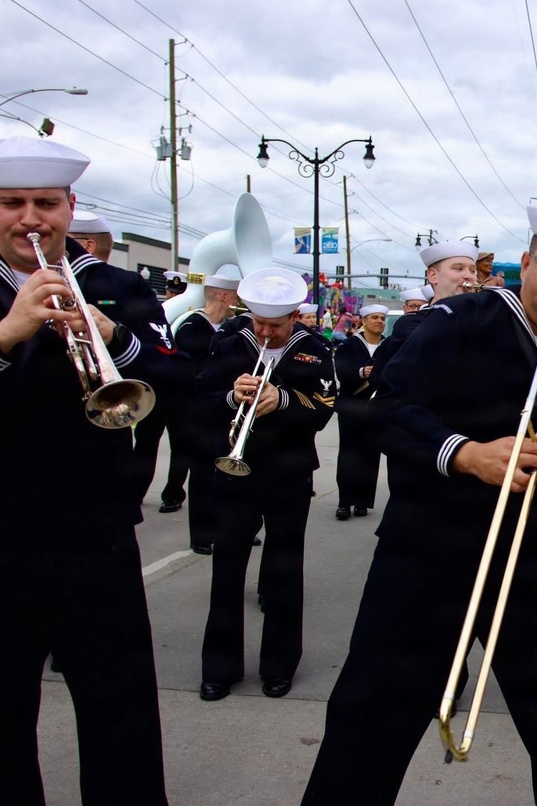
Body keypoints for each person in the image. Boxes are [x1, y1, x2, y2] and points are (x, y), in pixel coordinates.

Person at [301, 203, 537, 805]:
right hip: (428, 556)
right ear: (524, 264)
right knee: (368, 724)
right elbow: (382, 411)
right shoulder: (461, 318)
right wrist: (466, 453)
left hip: (535, 565)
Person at [0, 136, 171, 802]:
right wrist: (9, 333)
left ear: (71, 208)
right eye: (12, 204)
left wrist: (117, 341)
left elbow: (176, 389)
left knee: (121, 716)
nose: (31, 219)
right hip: (4, 538)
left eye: (46, 203)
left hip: (94, 534)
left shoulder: (118, 288)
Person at [197, 268, 334, 701]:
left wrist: (285, 399)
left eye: (275, 325)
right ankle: (220, 668)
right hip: (234, 471)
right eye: (258, 322)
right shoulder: (230, 342)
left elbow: (327, 406)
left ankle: (279, 665)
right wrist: (228, 397)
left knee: (284, 570)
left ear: (295, 316)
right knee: (226, 569)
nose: (265, 332)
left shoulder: (314, 349)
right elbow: (198, 397)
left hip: (289, 473)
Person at [174, 271, 241, 553]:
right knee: (202, 474)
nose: (238, 302)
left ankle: (229, 527)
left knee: (226, 474)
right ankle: (201, 535)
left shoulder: (230, 328)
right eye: (236, 296)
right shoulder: (192, 327)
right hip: (200, 413)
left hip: (226, 409)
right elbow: (190, 374)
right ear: (224, 296)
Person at [367, 241, 479, 390]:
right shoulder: (411, 323)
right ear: (433, 276)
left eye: (472, 271)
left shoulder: (480, 320)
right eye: (458, 269)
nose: (469, 276)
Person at [333, 303, 388, 521]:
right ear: (363, 321)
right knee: (348, 454)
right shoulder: (349, 345)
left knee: (370, 454)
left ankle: (363, 501)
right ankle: (344, 502)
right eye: (374, 318)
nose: (379, 322)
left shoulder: (389, 345)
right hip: (351, 406)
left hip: (376, 408)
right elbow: (341, 370)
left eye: (382, 318)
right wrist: (361, 372)